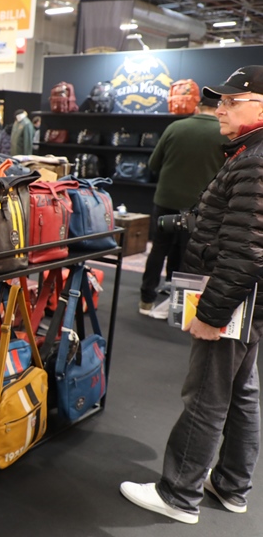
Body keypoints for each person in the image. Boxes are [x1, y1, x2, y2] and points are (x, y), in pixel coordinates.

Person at [120, 66, 263, 524]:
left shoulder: (255, 159)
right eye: (220, 100)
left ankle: (179, 493)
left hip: (235, 299)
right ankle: (232, 485)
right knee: (240, 391)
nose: (220, 108)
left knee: (206, 393)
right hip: (248, 301)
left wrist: (212, 313)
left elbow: (246, 250)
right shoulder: (249, 153)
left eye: (232, 101)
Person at [138, 95, 229, 319]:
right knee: (190, 253)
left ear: (198, 107)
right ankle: (177, 308)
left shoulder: (175, 127)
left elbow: (153, 164)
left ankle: (146, 300)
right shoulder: (223, 132)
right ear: (218, 108)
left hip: (166, 199)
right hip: (199, 205)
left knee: (159, 248)